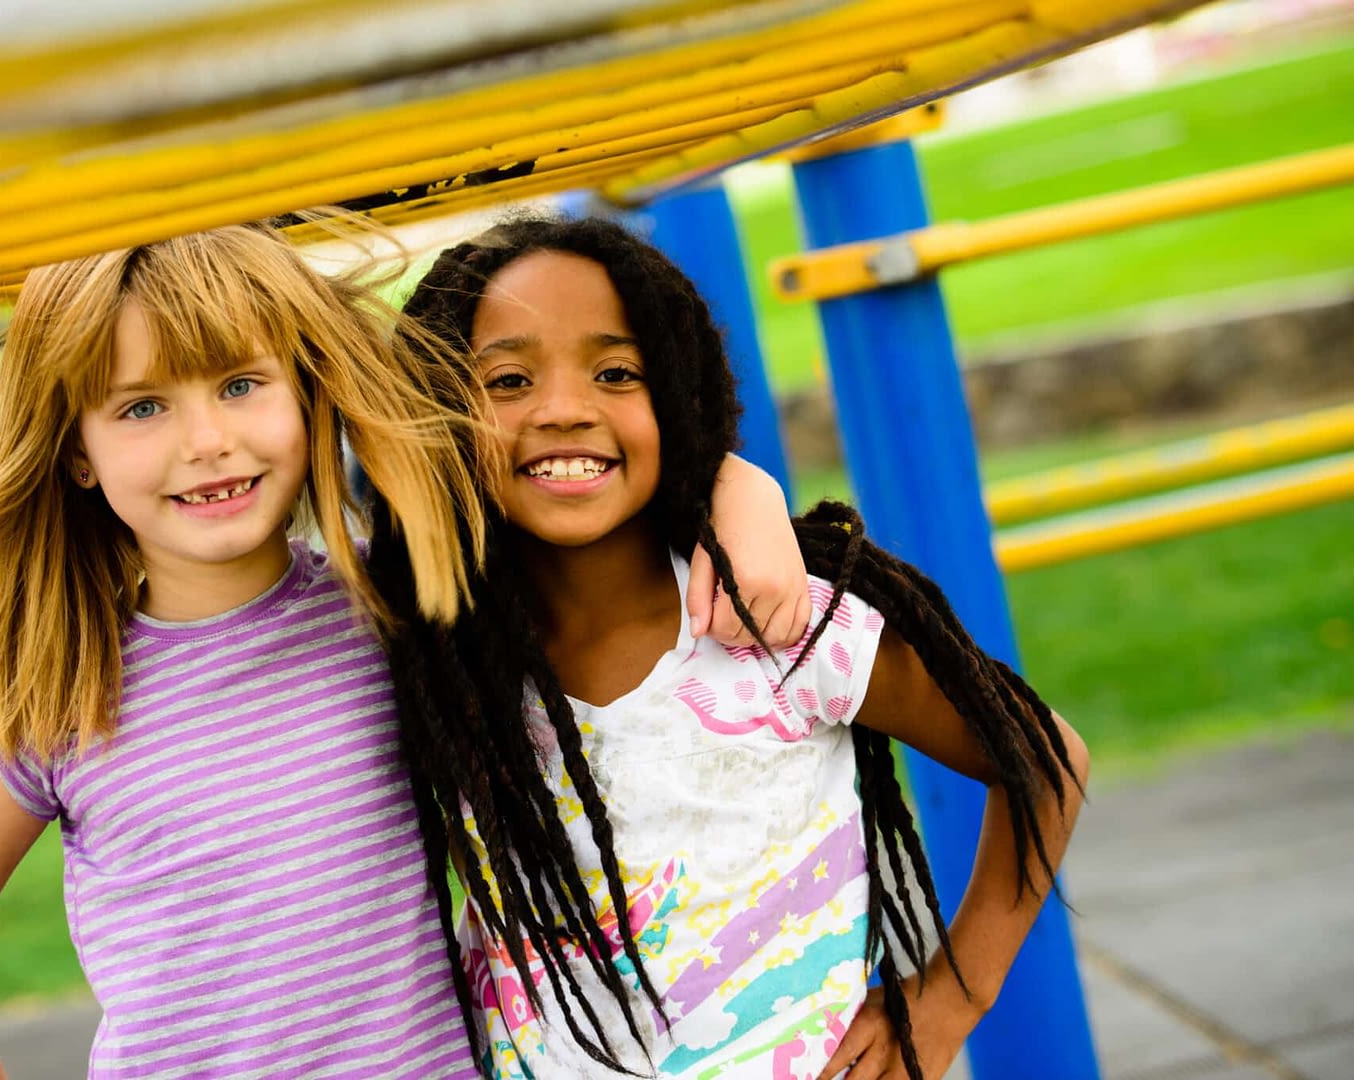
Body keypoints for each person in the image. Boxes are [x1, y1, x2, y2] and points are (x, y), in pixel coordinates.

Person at [0, 222, 810, 1079]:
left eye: (241, 386)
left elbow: (572, 502)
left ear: (309, 397)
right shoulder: (62, 691)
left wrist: (738, 491)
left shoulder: (399, 605)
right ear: (78, 450)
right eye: (140, 408)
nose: (207, 441)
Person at [367, 215, 1091, 1080]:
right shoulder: (439, 653)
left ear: (679, 391)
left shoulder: (778, 618)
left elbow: (1046, 759)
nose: (563, 409)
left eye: (617, 372)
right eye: (509, 380)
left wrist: (949, 998)